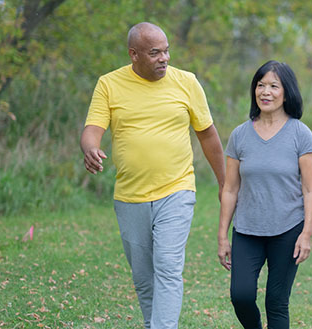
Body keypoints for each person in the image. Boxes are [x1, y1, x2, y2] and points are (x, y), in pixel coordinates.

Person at [80, 22, 225, 329]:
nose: (165, 58)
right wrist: (90, 148)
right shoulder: (109, 84)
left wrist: (225, 182)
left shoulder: (186, 82)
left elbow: (208, 136)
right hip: (130, 196)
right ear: (134, 54)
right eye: (155, 52)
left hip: (177, 189)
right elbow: (93, 128)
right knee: (144, 278)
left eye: (167, 50)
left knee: (168, 267)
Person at [217, 60, 312, 328]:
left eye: (274, 86)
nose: (266, 92)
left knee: (276, 301)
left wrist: (306, 234)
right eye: (260, 85)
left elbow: (310, 189)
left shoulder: (300, 134)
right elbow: (230, 188)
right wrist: (222, 235)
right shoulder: (240, 135)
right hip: (247, 229)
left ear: (287, 92)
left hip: (288, 230)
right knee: (240, 296)